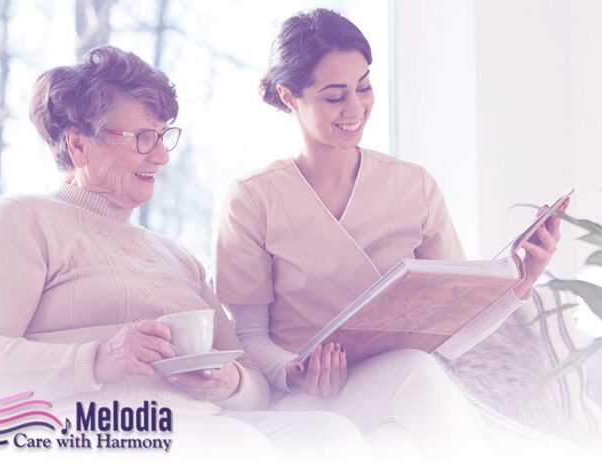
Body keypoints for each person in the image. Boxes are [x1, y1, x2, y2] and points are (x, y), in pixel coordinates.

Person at [0, 45, 368, 464]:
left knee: (333, 434)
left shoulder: (177, 257)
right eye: (142, 138)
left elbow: (253, 382)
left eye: (164, 136)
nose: (162, 155)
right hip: (98, 431)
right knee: (239, 447)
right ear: (79, 145)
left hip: (207, 422)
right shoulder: (22, 218)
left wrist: (227, 382)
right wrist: (97, 361)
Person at [214, 8, 568, 461]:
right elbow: (246, 338)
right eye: (334, 96)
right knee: (415, 374)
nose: (356, 108)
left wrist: (525, 276)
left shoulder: (413, 185)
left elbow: (454, 329)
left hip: (397, 394)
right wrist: (297, 372)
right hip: (306, 401)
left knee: (396, 446)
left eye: (363, 87)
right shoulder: (252, 199)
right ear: (289, 95)